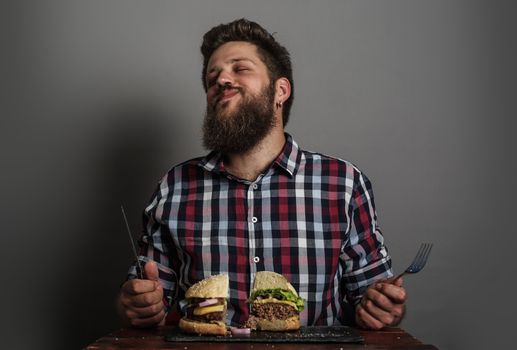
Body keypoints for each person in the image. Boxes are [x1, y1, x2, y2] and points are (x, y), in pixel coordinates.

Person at [116, 18, 406, 331]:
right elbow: (143, 300)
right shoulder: (175, 187)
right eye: (213, 77)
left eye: (239, 68)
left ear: (280, 90)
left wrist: (381, 307)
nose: (221, 80)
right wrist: (136, 304)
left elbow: (374, 296)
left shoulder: (343, 184)